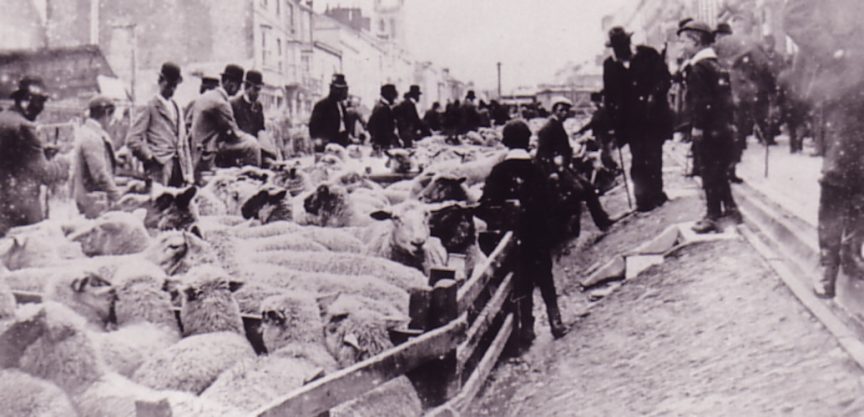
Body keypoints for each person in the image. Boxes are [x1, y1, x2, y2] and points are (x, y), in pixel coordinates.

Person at [783, 0, 864, 298]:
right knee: (837, 174)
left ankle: (852, 252)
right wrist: (833, 51)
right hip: (844, 85)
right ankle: (827, 264)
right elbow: (794, 16)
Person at [479, 119, 567, 342]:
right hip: (537, 235)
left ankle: (527, 327)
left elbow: (485, 205)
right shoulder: (537, 170)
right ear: (528, 142)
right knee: (545, 277)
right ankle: (556, 321)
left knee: (522, 280)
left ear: (505, 143)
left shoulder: (498, 172)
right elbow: (552, 204)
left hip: (512, 239)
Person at [678, 20, 742, 234]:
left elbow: (701, 101)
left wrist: (697, 126)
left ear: (696, 41)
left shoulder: (698, 68)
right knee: (720, 171)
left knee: (709, 172)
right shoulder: (716, 64)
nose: (682, 46)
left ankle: (712, 214)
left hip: (708, 130)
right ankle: (732, 210)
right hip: (722, 127)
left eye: (684, 41)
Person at [603, 26, 673, 212]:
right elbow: (609, 97)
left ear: (628, 43)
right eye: (615, 48)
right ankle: (642, 199)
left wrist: (654, 95)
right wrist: (612, 123)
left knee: (654, 156)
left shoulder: (648, 55)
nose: (619, 51)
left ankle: (657, 193)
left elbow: (665, 79)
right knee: (638, 158)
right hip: (630, 123)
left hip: (653, 118)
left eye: (621, 46)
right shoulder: (610, 65)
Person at [0, 77, 70, 236]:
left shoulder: (3, 119)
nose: (42, 108)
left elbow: (12, 159)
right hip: (22, 213)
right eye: (40, 102)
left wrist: (41, 153)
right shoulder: (25, 127)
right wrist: (63, 162)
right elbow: (44, 174)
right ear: (27, 101)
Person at [537, 97, 613, 236]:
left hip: (565, 167)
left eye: (566, 110)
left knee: (588, 188)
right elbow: (542, 154)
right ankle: (572, 229)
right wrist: (552, 171)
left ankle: (603, 222)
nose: (564, 113)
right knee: (577, 192)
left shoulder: (558, 125)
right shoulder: (547, 128)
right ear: (554, 111)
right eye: (561, 110)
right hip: (556, 170)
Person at [188, 64, 261, 183]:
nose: (238, 90)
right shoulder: (221, 103)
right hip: (208, 154)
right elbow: (234, 134)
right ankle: (253, 184)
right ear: (230, 83)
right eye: (238, 86)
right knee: (252, 145)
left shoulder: (206, 96)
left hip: (197, 151)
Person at [126, 62, 192, 187]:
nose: (171, 90)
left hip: (179, 168)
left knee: (180, 204)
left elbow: (184, 143)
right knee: (159, 204)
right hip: (159, 169)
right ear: (160, 81)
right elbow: (132, 139)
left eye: (174, 86)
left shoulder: (177, 107)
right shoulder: (150, 106)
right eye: (168, 85)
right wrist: (150, 157)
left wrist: (189, 172)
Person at [72, 96, 121, 218]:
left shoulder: (90, 132)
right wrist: (118, 197)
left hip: (93, 199)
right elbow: (99, 174)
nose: (112, 120)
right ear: (106, 113)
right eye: (111, 116)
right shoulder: (92, 137)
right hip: (93, 202)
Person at [309, 74, 350, 152]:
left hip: (341, 145)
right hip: (327, 146)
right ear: (333, 90)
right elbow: (313, 127)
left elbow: (344, 124)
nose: (344, 93)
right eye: (340, 90)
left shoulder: (341, 106)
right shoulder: (321, 105)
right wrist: (321, 142)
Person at [231, 70, 266, 138]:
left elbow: (261, 129)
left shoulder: (258, 106)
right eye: (255, 89)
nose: (258, 93)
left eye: (259, 90)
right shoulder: (234, 104)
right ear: (247, 87)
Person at [368, 84, 400, 153]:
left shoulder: (378, 106)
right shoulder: (384, 108)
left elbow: (370, 125)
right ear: (389, 95)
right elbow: (386, 130)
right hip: (384, 145)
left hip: (379, 143)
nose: (394, 99)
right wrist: (394, 142)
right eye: (394, 96)